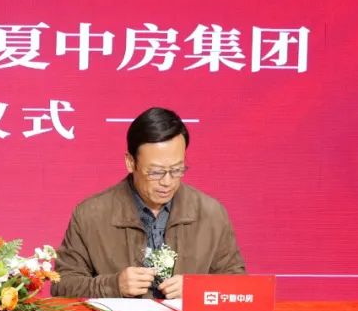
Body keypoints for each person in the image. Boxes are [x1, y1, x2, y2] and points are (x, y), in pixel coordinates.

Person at [52, 107, 245, 299]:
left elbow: (240, 287)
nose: (167, 182)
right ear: (130, 162)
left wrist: (197, 288)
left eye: (177, 170)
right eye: (155, 172)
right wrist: (113, 285)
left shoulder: (211, 214)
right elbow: (62, 285)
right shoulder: (90, 215)